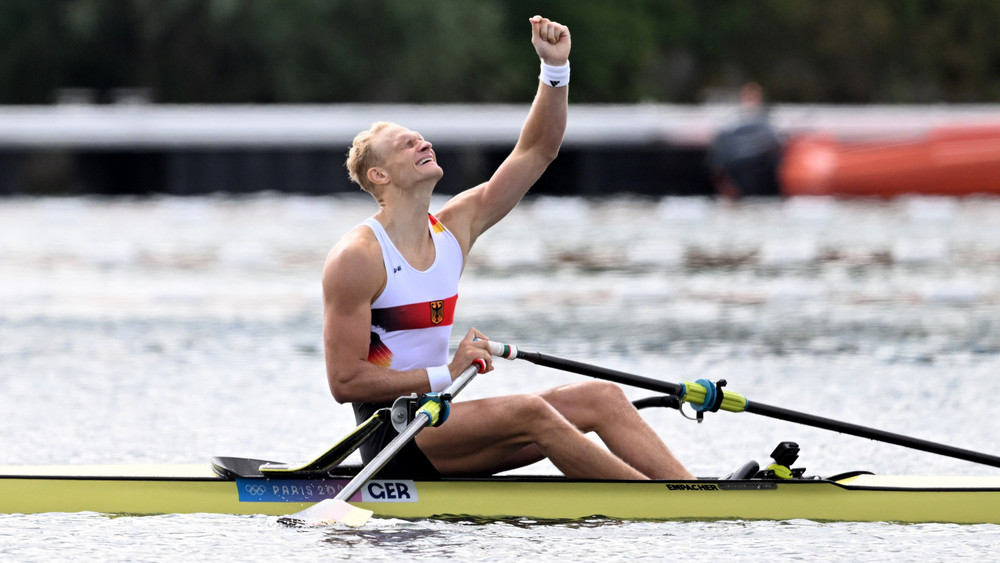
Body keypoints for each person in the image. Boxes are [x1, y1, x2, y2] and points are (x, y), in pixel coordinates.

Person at [322, 15, 694, 481]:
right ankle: (662, 507)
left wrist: (554, 71)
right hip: (393, 437)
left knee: (603, 397)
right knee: (530, 410)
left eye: (421, 137)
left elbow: (536, 152)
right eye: (405, 145)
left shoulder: (457, 226)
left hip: (439, 420)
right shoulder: (358, 256)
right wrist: (448, 372)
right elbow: (345, 381)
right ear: (379, 175)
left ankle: (692, 492)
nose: (424, 142)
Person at [707, 81, 784, 198]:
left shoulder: (768, 123)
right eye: (748, 96)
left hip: (763, 175)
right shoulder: (731, 124)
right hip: (739, 172)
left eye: (754, 96)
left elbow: (777, 145)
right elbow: (720, 155)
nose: (751, 100)